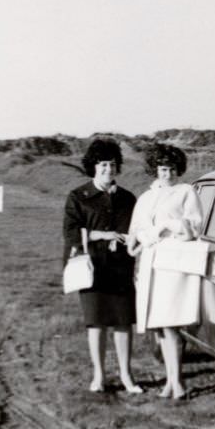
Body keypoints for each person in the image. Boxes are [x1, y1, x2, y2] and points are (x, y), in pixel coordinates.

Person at [63, 138, 142, 394]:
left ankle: (126, 375)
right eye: (103, 164)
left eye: (112, 164)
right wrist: (100, 235)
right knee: (96, 322)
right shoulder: (79, 197)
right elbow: (71, 232)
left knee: (122, 321)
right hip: (93, 267)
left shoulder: (129, 199)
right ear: (93, 166)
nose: (108, 169)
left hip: (121, 267)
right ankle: (99, 376)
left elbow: (138, 230)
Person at [127, 143, 203, 400]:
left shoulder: (186, 192)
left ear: (177, 169)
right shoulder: (147, 196)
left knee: (171, 323)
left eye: (171, 169)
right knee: (158, 325)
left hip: (173, 263)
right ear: (155, 169)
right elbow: (137, 227)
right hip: (151, 263)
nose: (166, 174)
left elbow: (195, 225)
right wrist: (144, 235)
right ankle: (171, 382)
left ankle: (178, 381)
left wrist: (167, 226)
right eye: (162, 169)